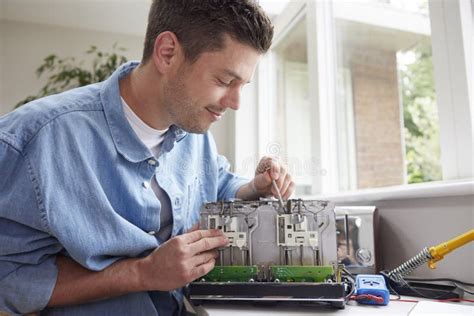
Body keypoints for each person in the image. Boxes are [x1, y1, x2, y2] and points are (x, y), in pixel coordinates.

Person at [0, 0, 295, 315]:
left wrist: (253, 188)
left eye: (242, 86)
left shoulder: (194, 133)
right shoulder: (31, 140)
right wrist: (143, 273)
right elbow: (7, 278)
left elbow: (216, 181)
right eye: (224, 81)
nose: (236, 102)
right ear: (167, 53)